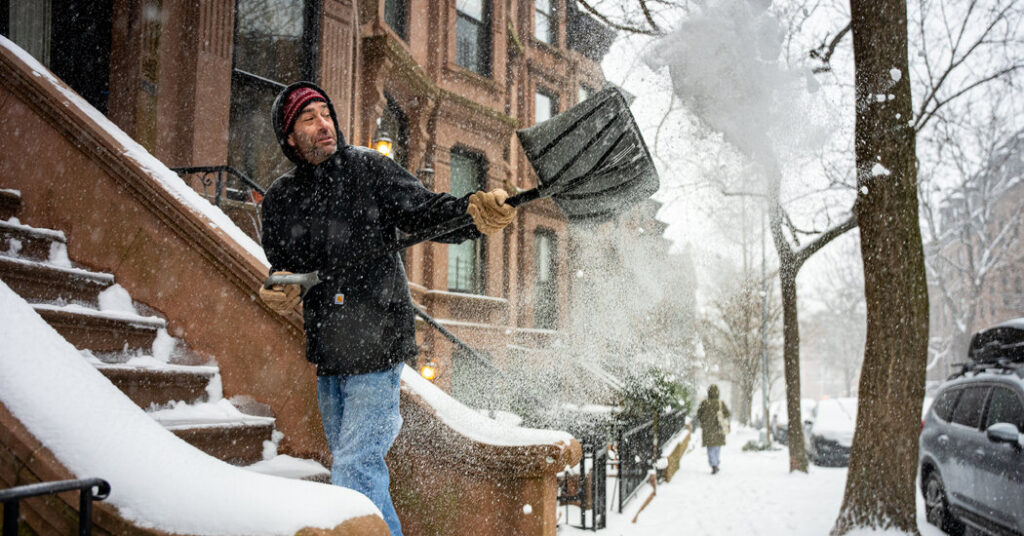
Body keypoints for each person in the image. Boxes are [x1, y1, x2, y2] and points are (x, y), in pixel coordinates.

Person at [257, 82, 515, 536]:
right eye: (308, 118)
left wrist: (473, 213)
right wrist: (281, 286)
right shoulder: (281, 198)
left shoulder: (367, 169)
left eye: (326, 113)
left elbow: (424, 211)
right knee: (355, 469)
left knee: (356, 467)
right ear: (289, 137)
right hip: (328, 348)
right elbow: (285, 265)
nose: (324, 125)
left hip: (377, 340)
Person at [696, 384, 730, 474]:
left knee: (710, 448)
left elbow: (698, 414)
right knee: (717, 448)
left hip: (708, 429)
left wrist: (704, 421)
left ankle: (713, 464)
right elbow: (727, 414)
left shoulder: (704, 403)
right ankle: (716, 463)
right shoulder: (720, 403)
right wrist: (720, 416)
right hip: (718, 428)